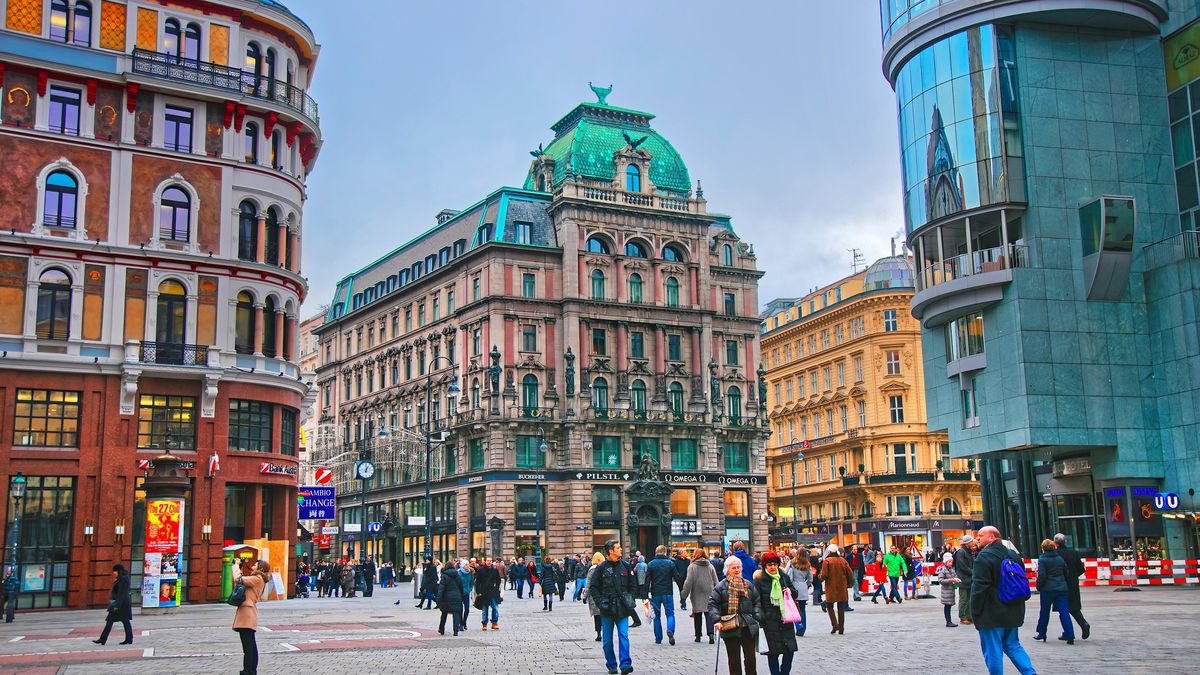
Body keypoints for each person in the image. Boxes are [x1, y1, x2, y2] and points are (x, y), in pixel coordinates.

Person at [970, 525, 1036, 675]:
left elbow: (979, 588)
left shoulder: (984, 557)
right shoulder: (1013, 555)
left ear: (992, 537)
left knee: (993, 650)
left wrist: (975, 612)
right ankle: (1030, 673)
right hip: (1013, 610)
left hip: (991, 613)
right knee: (1013, 645)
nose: (977, 538)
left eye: (981, 535)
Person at [589, 540, 635, 675]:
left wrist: (630, 598)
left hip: (622, 608)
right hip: (607, 609)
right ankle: (612, 665)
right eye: (618, 547)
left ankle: (625, 664)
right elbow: (593, 587)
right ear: (610, 551)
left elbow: (633, 585)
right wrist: (599, 602)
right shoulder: (601, 568)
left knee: (624, 635)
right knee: (607, 641)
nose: (621, 549)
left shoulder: (626, 566)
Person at [709, 556, 760, 675]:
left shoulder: (748, 584)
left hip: (748, 626)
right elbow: (712, 604)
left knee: (751, 660)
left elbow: (757, 600)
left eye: (739, 567)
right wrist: (716, 620)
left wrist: (757, 616)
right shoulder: (720, 587)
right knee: (734, 661)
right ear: (727, 570)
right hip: (730, 627)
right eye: (734, 568)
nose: (737, 570)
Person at [753, 551, 798, 675]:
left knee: (790, 651)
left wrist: (791, 591)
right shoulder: (759, 580)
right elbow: (756, 602)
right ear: (765, 566)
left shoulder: (783, 577)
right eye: (769, 565)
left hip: (786, 620)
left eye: (774, 564)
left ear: (778, 565)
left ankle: (784, 672)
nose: (772, 567)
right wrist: (762, 617)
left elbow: (795, 593)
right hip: (769, 622)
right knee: (773, 654)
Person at [1033, 538, 1075, 645]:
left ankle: (1042, 632)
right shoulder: (1060, 559)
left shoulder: (1042, 559)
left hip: (1048, 589)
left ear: (1043, 548)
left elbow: (1042, 575)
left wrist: (1039, 586)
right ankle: (1070, 634)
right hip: (1061, 589)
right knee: (1064, 612)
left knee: (1044, 612)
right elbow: (1066, 573)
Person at [232, 558, 269, 675]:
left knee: (248, 647)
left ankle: (248, 671)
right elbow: (243, 581)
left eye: (256, 564)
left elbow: (238, 579)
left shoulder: (257, 579)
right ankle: (251, 670)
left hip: (247, 614)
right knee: (251, 645)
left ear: (261, 568)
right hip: (248, 613)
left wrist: (236, 565)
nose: (253, 565)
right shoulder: (257, 579)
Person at [1053, 533, 1090, 639]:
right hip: (1073, 583)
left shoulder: (1055, 554)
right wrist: (1073, 576)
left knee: (1062, 609)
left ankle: (1067, 632)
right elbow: (1081, 569)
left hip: (1060, 584)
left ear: (1055, 543)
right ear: (1065, 542)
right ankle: (1083, 624)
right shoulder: (1073, 553)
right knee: (1073, 608)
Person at [681, 549, 718, 643]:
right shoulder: (710, 566)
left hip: (696, 592)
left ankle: (698, 635)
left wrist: (684, 595)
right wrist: (718, 593)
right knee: (708, 613)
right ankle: (711, 634)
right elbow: (715, 580)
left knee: (697, 613)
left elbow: (688, 581)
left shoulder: (692, 566)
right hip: (709, 592)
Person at [646, 545, 680, 645]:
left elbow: (647, 580)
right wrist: (682, 590)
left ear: (656, 552)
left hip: (655, 593)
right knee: (670, 614)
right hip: (668, 592)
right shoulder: (670, 563)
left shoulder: (651, 564)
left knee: (656, 616)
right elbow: (677, 577)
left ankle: (658, 638)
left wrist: (644, 594)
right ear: (665, 552)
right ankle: (670, 630)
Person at [93, 564, 133, 645]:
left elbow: (122, 594)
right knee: (118, 621)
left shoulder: (123, 579)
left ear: (119, 571)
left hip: (121, 604)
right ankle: (103, 639)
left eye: (115, 571)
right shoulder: (122, 578)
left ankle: (103, 639)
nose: (114, 573)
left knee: (122, 621)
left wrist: (116, 606)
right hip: (120, 603)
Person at [818, 545, 852, 635]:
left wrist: (820, 577)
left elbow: (824, 575)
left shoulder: (827, 561)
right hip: (842, 587)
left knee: (829, 606)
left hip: (831, 587)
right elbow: (850, 573)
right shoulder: (843, 560)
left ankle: (834, 625)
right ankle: (841, 628)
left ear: (829, 552)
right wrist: (849, 584)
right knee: (841, 607)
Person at [785, 552, 811, 637]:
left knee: (793, 608)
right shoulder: (807, 564)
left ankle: (798, 626)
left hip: (793, 587)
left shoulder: (792, 562)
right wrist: (805, 585)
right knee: (802, 609)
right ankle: (803, 628)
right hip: (803, 587)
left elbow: (786, 573)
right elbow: (810, 579)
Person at [954, 536, 977, 624]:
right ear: (967, 543)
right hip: (963, 579)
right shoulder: (961, 552)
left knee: (969, 599)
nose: (973, 543)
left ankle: (969, 616)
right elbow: (962, 566)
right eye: (971, 541)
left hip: (969, 578)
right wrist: (972, 572)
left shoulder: (969, 551)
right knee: (964, 599)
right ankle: (963, 617)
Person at [583, 551, 606, 642]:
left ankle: (598, 634)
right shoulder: (605, 567)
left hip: (594, 596)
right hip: (604, 594)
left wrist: (585, 596)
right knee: (604, 615)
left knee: (597, 616)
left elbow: (588, 583)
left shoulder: (592, 569)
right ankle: (606, 633)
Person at [475, 555, 501, 631]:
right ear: (485, 562)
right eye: (487, 561)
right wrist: (478, 591)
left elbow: (498, 580)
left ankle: (494, 622)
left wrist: (497, 588)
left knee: (495, 608)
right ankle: (484, 623)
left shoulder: (495, 570)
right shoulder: (481, 570)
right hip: (484, 592)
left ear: (492, 562)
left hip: (493, 592)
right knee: (485, 609)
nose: (489, 562)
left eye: (490, 561)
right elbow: (477, 582)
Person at [938, 552, 959, 627]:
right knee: (947, 606)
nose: (951, 563)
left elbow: (955, 576)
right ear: (945, 562)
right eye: (949, 561)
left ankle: (949, 621)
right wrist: (951, 580)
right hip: (946, 592)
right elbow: (940, 580)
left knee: (949, 606)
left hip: (951, 591)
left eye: (951, 561)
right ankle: (948, 621)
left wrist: (956, 580)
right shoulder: (942, 570)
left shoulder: (951, 569)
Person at [459, 559, 475, 628]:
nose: (467, 566)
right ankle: (461, 623)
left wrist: (469, 589)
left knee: (467, 609)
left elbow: (471, 583)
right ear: (462, 566)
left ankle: (464, 621)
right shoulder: (459, 574)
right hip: (460, 593)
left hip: (467, 593)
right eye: (466, 564)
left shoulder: (470, 574)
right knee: (460, 609)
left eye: (468, 564)